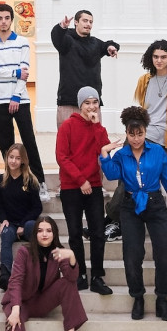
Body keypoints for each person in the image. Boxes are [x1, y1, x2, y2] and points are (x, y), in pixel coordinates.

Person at [101, 104, 167, 322]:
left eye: (140, 134)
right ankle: (138, 297)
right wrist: (105, 153)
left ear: (145, 132)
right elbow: (111, 175)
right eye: (132, 134)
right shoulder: (121, 155)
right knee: (132, 255)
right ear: (127, 133)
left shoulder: (158, 152)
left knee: (164, 253)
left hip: (155, 204)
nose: (136, 139)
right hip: (130, 207)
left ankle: (162, 299)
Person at [2, 216, 88, 331]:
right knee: (14, 323)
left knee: (67, 283)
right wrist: (15, 309)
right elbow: (16, 281)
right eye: (40, 230)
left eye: (48, 230)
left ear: (54, 233)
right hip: (22, 302)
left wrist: (70, 255)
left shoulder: (58, 251)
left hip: (42, 301)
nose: (44, 234)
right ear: (35, 234)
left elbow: (72, 277)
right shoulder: (24, 252)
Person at [0, 2, 49, 199]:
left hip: (19, 99)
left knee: (29, 141)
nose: (3, 22)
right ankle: (12, 184)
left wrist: (15, 96)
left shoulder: (22, 42)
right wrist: (14, 72)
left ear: (12, 20)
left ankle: (40, 184)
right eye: (0, 18)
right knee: (6, 145)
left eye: (7, 18)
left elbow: (25, 74)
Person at [56, 87, 113, 295]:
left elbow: (103, 150)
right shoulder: (68, 126)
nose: (91, 107)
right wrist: (81, 181)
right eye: (87, 103)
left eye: (95, 102)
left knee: (98, 232)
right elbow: (62, 157)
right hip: (72, 187)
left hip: (95, 185)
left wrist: (96, 126)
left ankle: (97, 276)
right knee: (74, 233)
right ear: (80, 105)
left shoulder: (100, 128)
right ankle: (79, 274)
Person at [50, 11, 120, 129]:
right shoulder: (66, 40)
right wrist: (62, 26)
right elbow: (56, 36)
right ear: (76, 22)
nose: (88, 24)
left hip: (91, 102)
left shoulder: (95, 43)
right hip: (69, 100)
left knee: (93, 140)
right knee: (68, 139)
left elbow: (109, 44)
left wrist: (111, 47)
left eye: (91, 22)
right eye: (85, 21)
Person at [0, 143, 42, 291]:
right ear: (7, 158)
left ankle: (38, 272)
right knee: (6, 234)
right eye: (11, 157)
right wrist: (4, 220)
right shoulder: (0, 180)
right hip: (11, 223)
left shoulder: (30, 180)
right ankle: (5, 274)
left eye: (17, 158)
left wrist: (22, 224)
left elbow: (37, 207)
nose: (13, 161)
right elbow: (0, 206)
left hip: (26, 223)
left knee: (31, 228)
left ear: (23, 160)